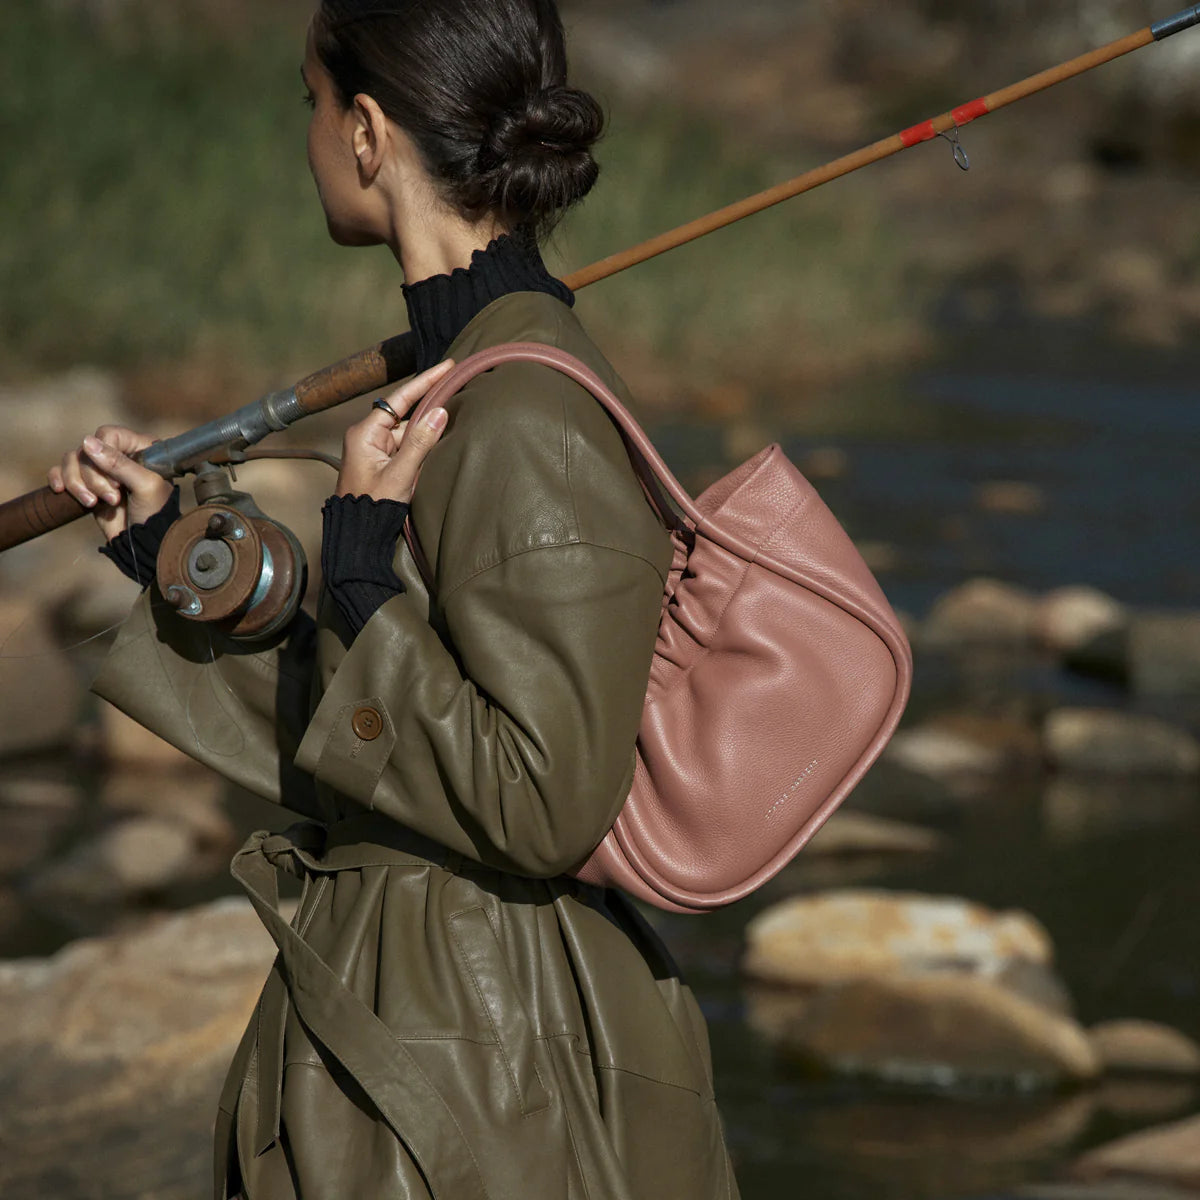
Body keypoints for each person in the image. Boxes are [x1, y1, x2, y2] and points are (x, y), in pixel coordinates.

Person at [50, 1, 740, 1197]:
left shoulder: (529, 415)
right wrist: (169, 552)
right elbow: (392, 759)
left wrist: (362, 569)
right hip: (417, 1025)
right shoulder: (459, 383)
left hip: (481, 1075)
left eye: (309, 104)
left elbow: (542, 804)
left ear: (367, 132)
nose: (307, 135)